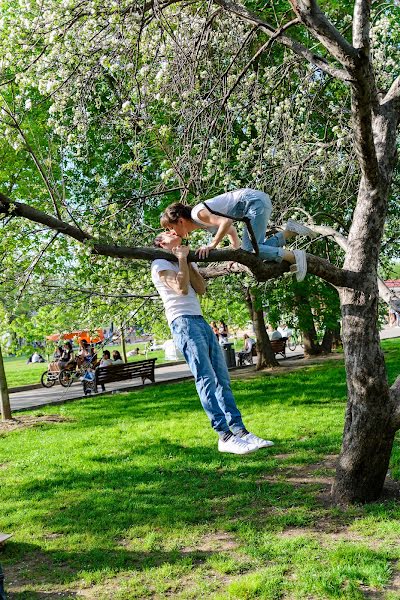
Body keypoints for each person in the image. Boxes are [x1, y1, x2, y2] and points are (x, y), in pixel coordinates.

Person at [151, 230, 274, 455]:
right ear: (160, 243)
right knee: (205, 378)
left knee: (222, 378)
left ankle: (240, 431)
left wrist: (187, 260)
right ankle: (223, 436)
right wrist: (180, 259)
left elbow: (201, 288)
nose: (173, 232)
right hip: (183, 322)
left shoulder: (186, 258)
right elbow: (180, 288)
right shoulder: (159, 263)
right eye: (167, 232)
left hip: (200, 321)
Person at [160, 188, 317, 282]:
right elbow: (231, 231)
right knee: (255, 250)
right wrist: (234, 255)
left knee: (250, 250)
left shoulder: (197, 214)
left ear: (180, 221)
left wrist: (212, 245)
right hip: (256, 203)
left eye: (170, 228)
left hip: (253, 203)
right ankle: (290, 232)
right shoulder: (201, 223)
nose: (172, 233)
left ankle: (294, 256)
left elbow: (226, 222)